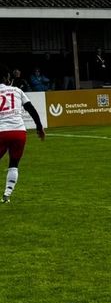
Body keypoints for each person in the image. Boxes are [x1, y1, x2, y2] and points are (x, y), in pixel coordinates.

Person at [0, 64, 45, 203]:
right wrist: (39, 127)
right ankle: (7, 194)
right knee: (14, 163)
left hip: (2, 132)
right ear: (6, 78)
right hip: (19, 132)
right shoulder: (17, 90)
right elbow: (31, 109)